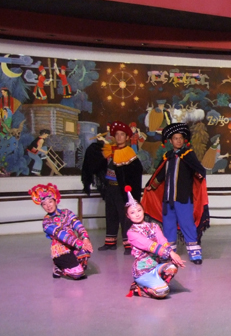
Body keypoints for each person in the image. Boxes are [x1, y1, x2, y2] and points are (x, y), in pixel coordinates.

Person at [142, 123, 209, 265]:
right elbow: (160, 174)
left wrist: (199, 174)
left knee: (187, 224)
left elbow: (199, 170)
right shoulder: (167, 156)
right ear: (170, 141)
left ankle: (195, 254)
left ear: (184, 140)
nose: (178, 141)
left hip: (183, 198)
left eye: (180, 138)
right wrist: (151, 186)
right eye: (175, 138)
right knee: (168, 226)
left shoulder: (188, 155)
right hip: (167, 199)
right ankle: (169, 253)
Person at [82, 120, 143, 254]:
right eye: (117, 134)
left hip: (122, 190)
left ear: (127, 138)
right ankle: (110, 242)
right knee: (110, 215)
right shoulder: (110, 150)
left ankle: (129, 245)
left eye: (122, 134)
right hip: (110, 188)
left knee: (125, 217)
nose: (119, 137)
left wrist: (129, 188)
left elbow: (135, 172)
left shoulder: (129, 153)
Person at [125, 186, 185, 298]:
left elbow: (162, 241)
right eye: (132, 212)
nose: (137, 214)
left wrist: (172, 253)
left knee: (172, 267)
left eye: (139, 210)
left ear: (143, 210)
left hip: (156, 266)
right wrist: (171, 254)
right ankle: (138, 288)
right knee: (163, 292)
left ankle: (157, 283)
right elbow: (150, 246)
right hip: (143, 271)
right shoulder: (131, 233)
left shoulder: (154, 226)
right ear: (128, 216)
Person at [30, 183, 92, 280]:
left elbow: (78, 225)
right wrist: (80, 244)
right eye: (44, 204)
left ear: (55, 200)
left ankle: (70, 264)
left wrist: (85, 238)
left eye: (50, 202)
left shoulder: (67, 212)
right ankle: (58, 267)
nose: (48, 206)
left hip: (73, 246)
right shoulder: (46, 222)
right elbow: (61, 235)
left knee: (85, 252)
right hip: (60, 250)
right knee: (78, 273)